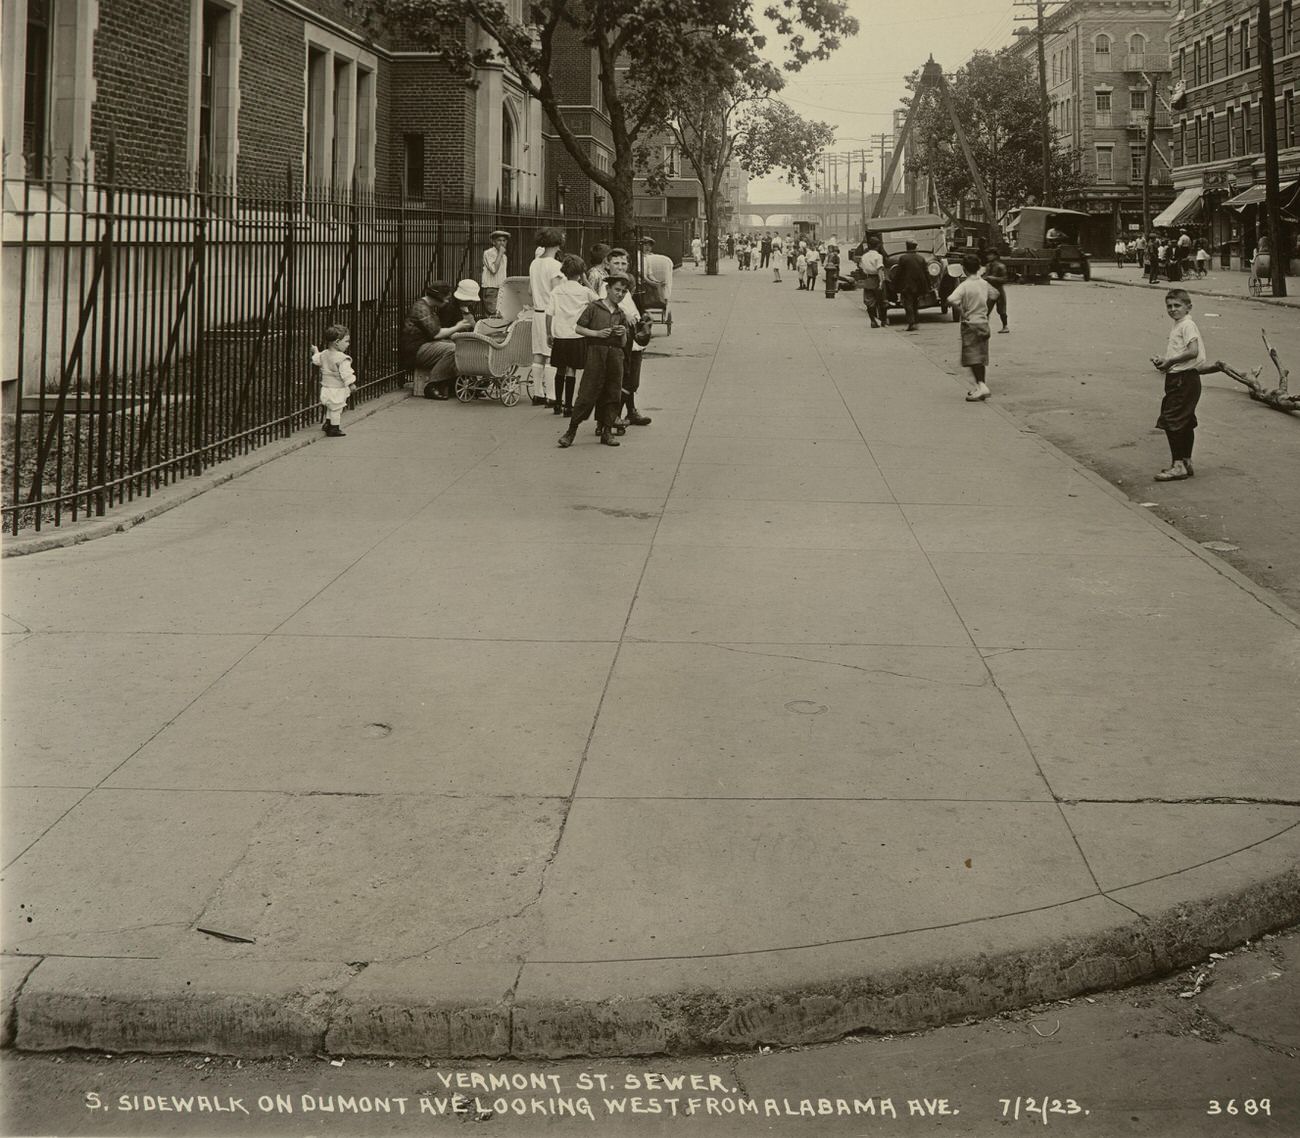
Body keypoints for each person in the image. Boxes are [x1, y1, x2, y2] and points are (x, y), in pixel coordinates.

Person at [557, 271, 632, 449]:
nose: (620, 294)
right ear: (607, 288)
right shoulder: (594, 308)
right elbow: (578, 328)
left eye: (623, 292)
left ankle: (606, 431)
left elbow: (623, 343)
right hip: (596, 354)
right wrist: (597, 334)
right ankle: (571, 431)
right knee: (587, 391)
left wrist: (622, 334)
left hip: (615, 356)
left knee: (612, 392)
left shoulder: (621, 314)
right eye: (617, 290)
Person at [1149, 288, 1205, 481]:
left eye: (1177, 306)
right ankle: (1186, 460)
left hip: (1182, 380)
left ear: (1188, 307)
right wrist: (1165, 360)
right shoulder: (1180, 324)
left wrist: (1170, 362)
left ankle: (1178, 465)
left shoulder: (1187, 325)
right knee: (1185, 421)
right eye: (1169, 306)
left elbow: (1193, 351)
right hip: (1184, 378)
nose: (1173, 309)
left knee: (1172, 420)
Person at [399, 282, 475, 399]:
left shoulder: (428, 307)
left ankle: (457, 382)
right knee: (453, 349)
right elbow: (436, 334)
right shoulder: (421, 309)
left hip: (424, 345)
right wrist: (457, 327)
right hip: (416, 349)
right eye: (445, 298)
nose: (447, 301)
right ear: (438, 297)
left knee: (459, 347)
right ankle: (433, 385)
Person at [605, 247, 652, 428]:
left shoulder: (625, 284)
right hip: (620, 341)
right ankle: (613, 417)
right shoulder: (608, 286)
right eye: (616, 263)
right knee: (626, 380)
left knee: (630, 378)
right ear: (607, 265)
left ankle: (630, 411)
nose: (621, 267)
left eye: (624, 263)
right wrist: (626, 315)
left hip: (633, 340)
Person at [545, 254, 595, 418]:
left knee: (559, 368)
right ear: (581, 273)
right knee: (571, 370)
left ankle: (557, 404)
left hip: (560, 334)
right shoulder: (584, 291)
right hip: (576, 335)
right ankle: (568, 406)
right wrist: (586, 281)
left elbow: (549, 314)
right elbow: (599, 300)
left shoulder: (557, 291)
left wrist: (548, 333)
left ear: (564, 272)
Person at [948, 254, 1000, 402]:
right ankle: (979, 386)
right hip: (983, 323)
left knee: (972, 357)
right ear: (978, 268)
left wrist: (962, 312)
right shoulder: (984, 283)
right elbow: (995, 295)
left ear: (964, 269)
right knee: (980, 357)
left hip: (970, 324)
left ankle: (982, 386)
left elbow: (951, 300)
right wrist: (987, 311)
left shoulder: (965, 285)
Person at [528, 227, 565, 406]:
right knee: (551, 354)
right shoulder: (555, 266)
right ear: (558, 244)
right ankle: (552, 395)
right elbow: (557, 293)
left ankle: (538, 393)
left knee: (538, 353)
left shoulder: (534, 263)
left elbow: (530, 290)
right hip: (550, 315)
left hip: (537, 313)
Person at [311, 323, 357, 436]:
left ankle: (328, 423)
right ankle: (334, 428)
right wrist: (351, 384)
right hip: (337, 389)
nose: (348, 344)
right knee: (337, 409)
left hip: (326, 388)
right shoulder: (341, 358)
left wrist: (315, 351)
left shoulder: (324, 354)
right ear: (337, 342)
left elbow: (316, 360)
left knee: (330, 407)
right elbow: (346, 373)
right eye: (346, 341)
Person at [893, 239, 930, 331]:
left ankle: (911, 323)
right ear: (915, 247)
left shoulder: (903, 258)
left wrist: (895, 284)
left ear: (907, 247)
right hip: (919, 285)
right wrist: (928, 285)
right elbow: (926, 273)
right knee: (915, 303)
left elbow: (899, 273)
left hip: (907, 286)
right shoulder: (921, 258)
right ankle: (916, 322)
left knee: (908, 304)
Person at [859, 238, 887, 327]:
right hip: (876, 279)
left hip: (867, 280)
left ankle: (873, 321)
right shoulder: (878, 256)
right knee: (882, 301)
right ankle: (883, 321)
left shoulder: (864, 256)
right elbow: (879, 269)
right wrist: (881, 282)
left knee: (869, 302)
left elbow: (862, 268)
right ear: (878, 245)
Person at [481, 230, 510, 316]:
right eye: (499, 240)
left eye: (504, 241)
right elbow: (494, 270)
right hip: (491, 288)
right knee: (493, 314)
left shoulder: (504, 257)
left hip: (500, 288)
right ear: (493, 242)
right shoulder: (488, 253)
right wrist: (500, 253)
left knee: (500, 314)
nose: (502, 243)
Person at [982, 248, 1010, 333]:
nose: (988, 256)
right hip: (990, 290)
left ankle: (1005, 326)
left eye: (990, 254)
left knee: (1002, 310)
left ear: (995, 255)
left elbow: (1004, 279)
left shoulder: (1001, 266)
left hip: (999, 290)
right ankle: (984, 327)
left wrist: (992, 278)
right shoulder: (988, 266)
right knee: (986, 309)